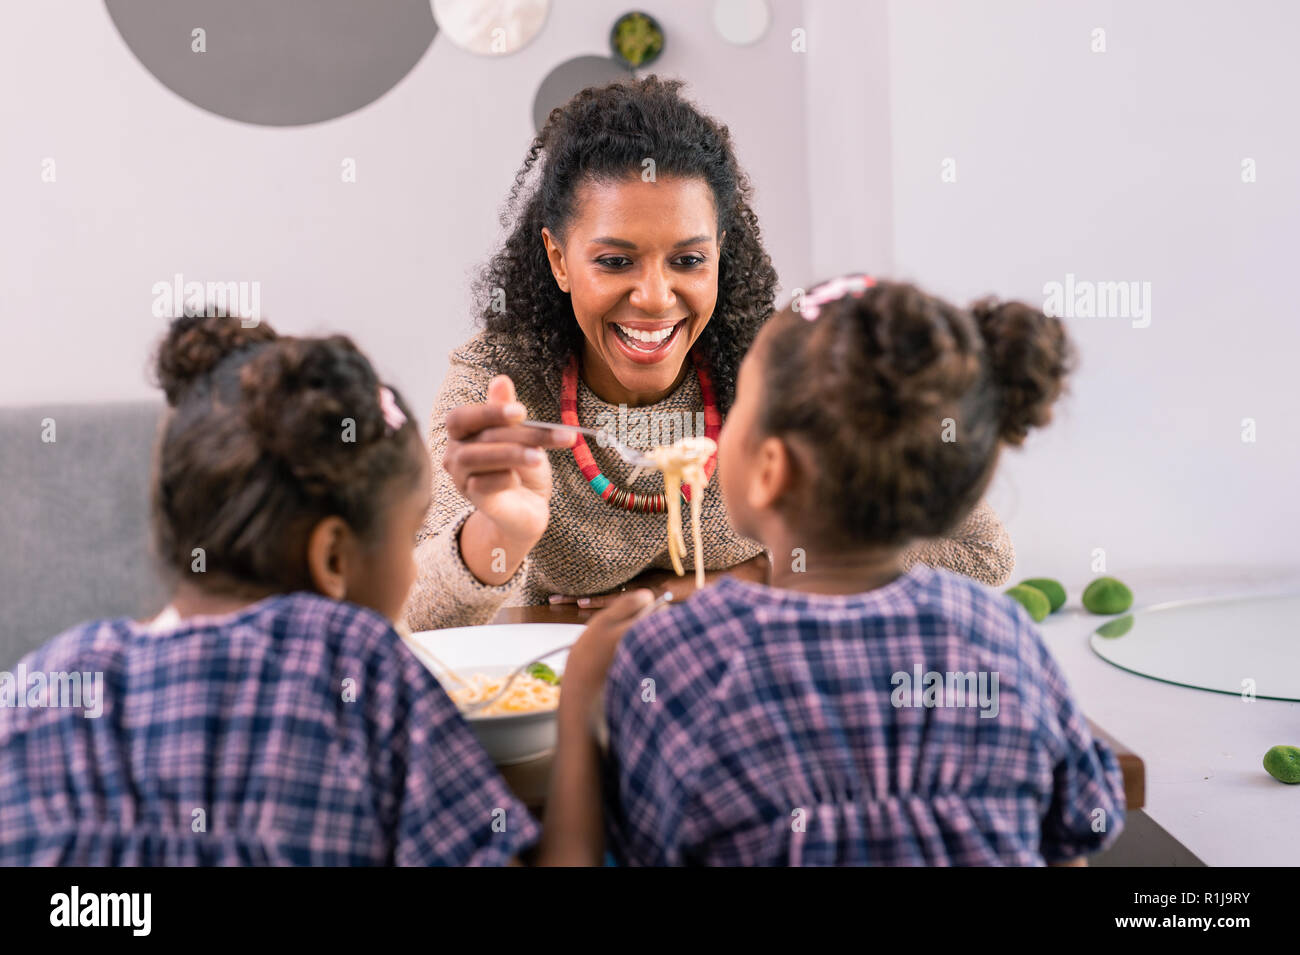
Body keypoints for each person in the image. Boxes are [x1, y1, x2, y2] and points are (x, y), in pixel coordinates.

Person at [545, 276, 1126, 866]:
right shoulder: (1006, 639)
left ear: (771, 469)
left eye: (742, 403)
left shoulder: (678, 656)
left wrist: (579, 699)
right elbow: (1067, 844)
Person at [406, 78, 1014, 631]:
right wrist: (498, 534)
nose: (653, 296)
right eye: (615, 262)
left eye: (688, 260)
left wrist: (742, 581)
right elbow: (412, 614)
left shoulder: (781, 369)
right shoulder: (500, 387)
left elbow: (978, 554)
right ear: (560, 259)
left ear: (720, 253)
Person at [0, 315, 537, 865]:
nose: (414, 571)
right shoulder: (360, 668)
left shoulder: (43, 685)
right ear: (332, 558)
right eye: (407, 537)